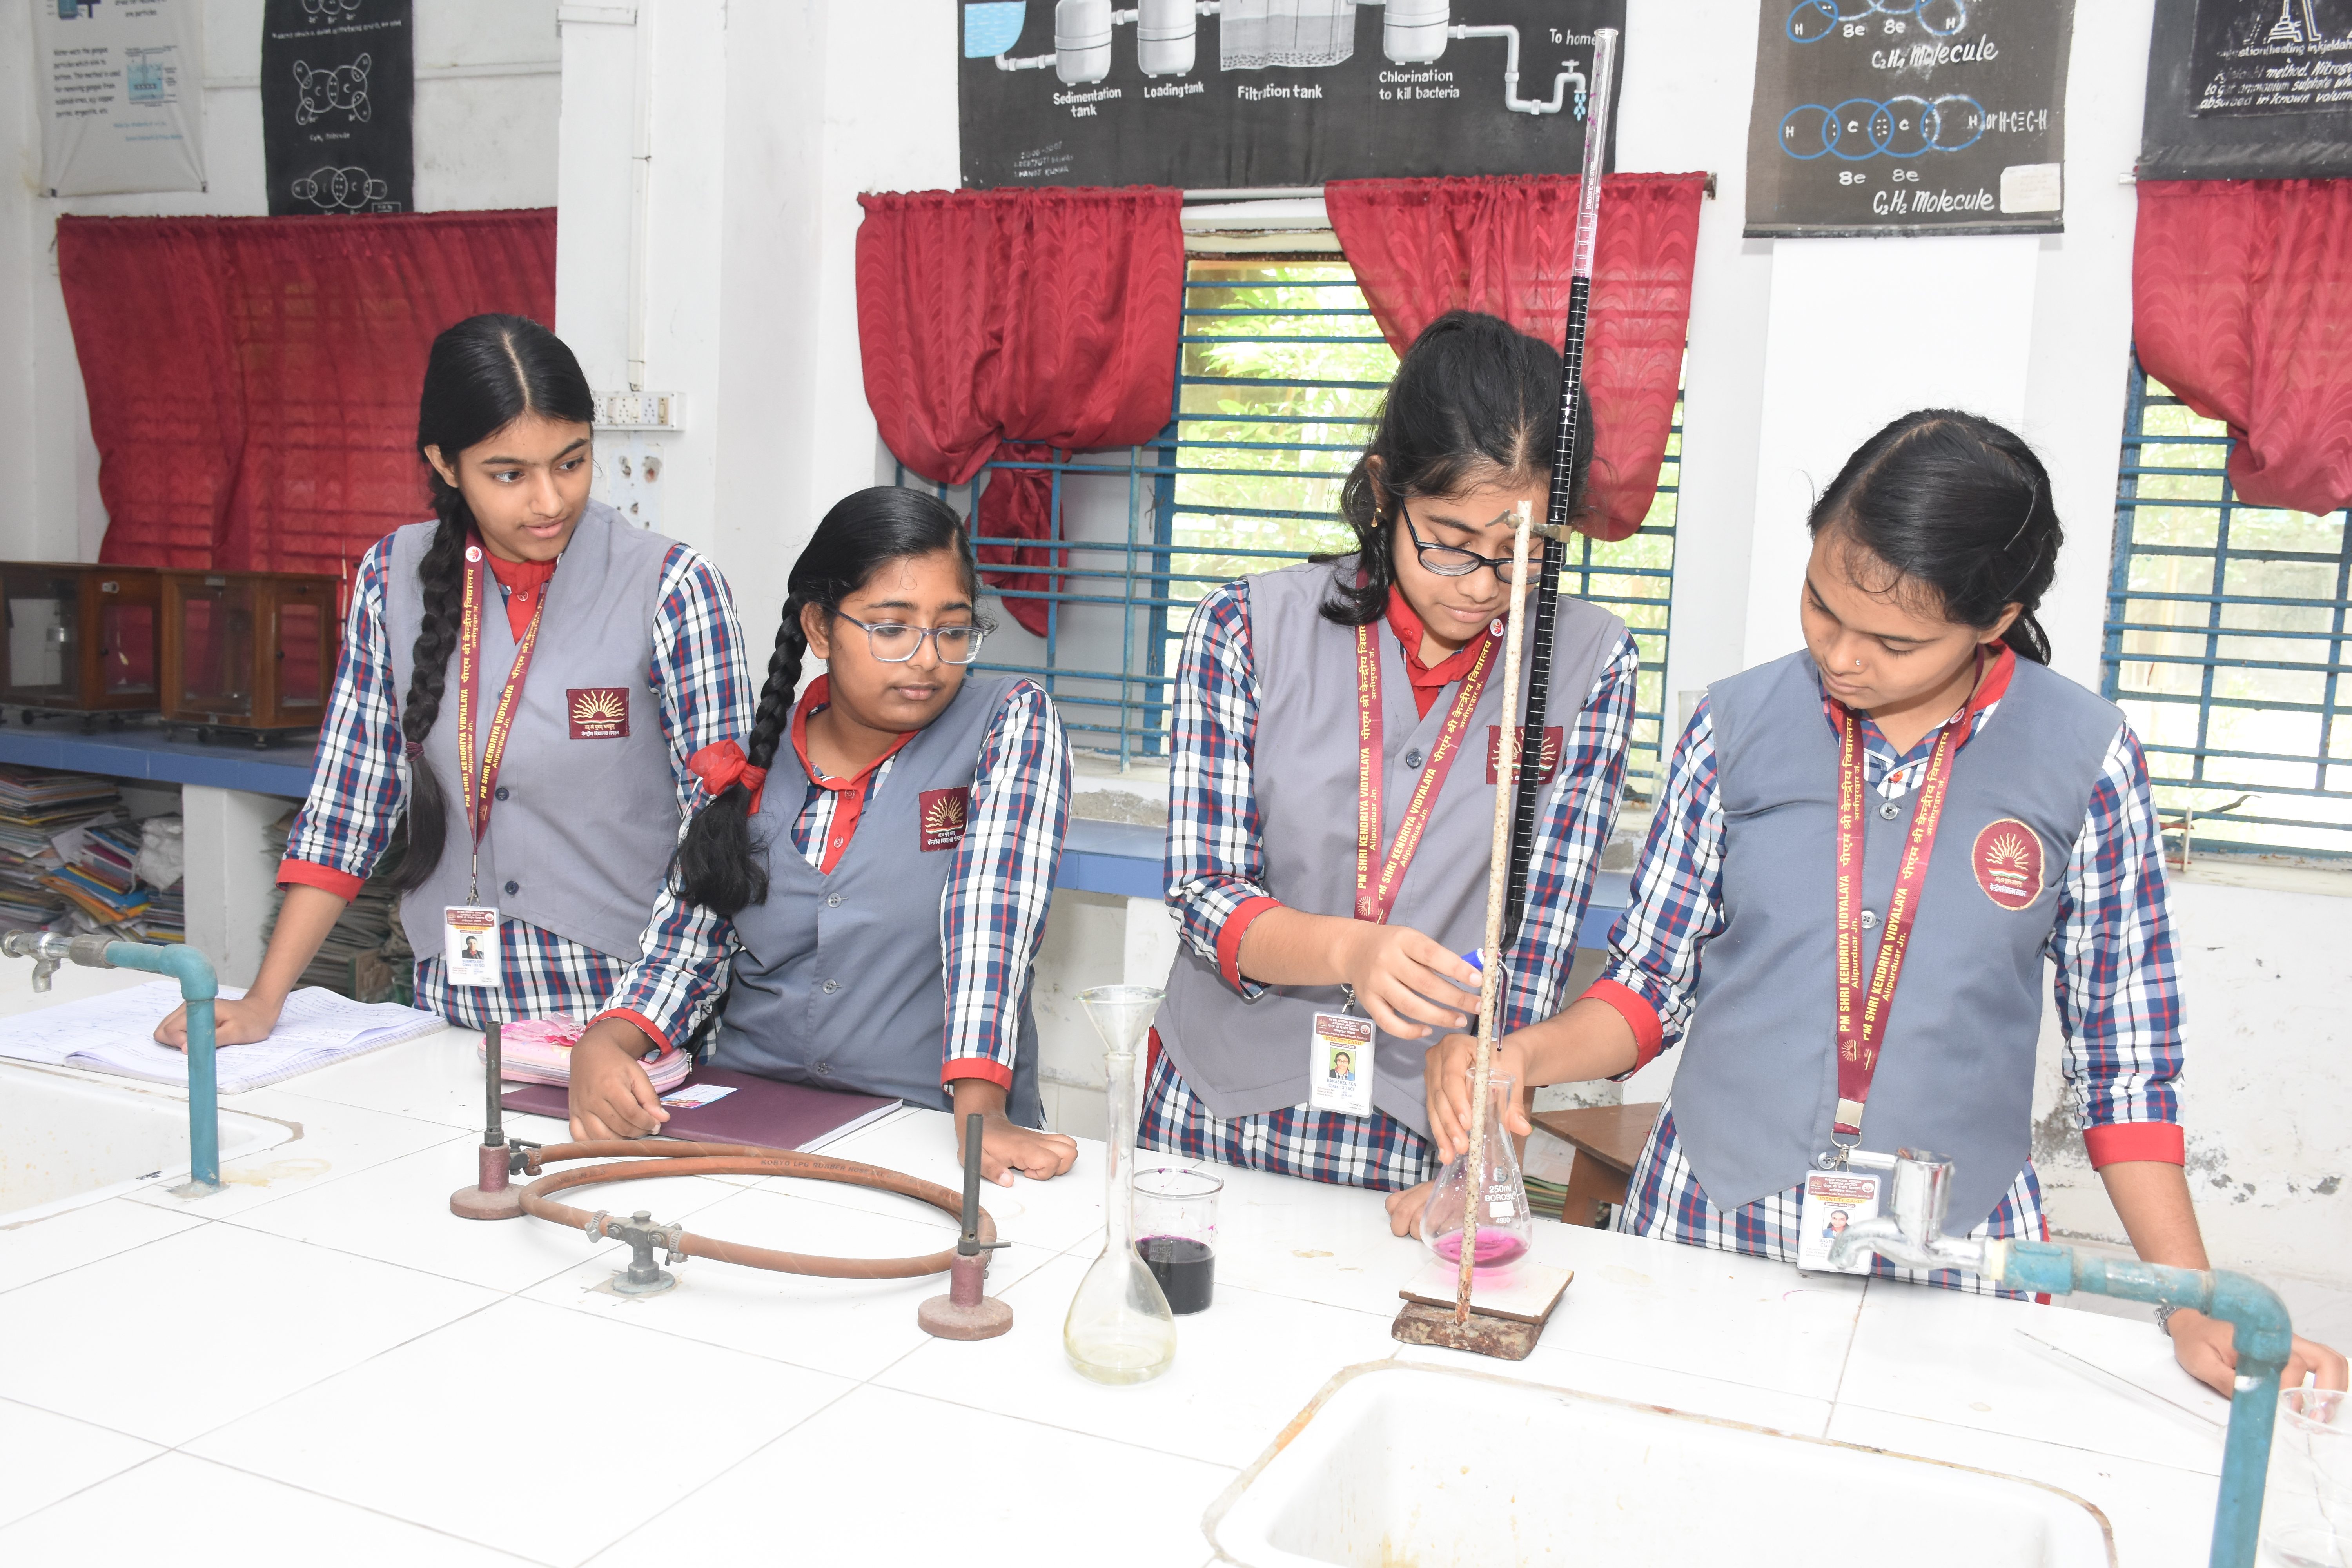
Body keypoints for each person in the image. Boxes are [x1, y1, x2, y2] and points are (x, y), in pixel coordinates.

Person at [1424, 408, 2347, 1396]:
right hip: (1716, 1220)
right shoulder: (1733, 726)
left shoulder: (2086, 758)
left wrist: (2190, 1296)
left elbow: (2126, 1070)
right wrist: (1521, 1055)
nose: (1843, 657)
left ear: (1995, 618)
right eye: (1822, 607)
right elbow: (1652, 985)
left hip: (1957, 1253)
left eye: (1896, 641)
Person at [157, 314, 749, 1108]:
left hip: (629, 1021)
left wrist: (629, 1028)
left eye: (571, 462)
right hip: (451, 1011)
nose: (549, 500)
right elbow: (349, 804)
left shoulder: (674, 588)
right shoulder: (389, 577)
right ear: (443, 461)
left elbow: (717, 844)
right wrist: (265, 1001)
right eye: (509, 474)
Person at [1149, 310, 1638, 1206]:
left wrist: (1478, 1155)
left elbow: (1539, 934)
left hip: (1427, 1132)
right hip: (1220, 1110)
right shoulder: (1247, 629)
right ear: (1386, 490)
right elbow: (1202, 890)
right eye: (1451, 540)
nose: (1483, 584)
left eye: (1523, 552)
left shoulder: (1589, 664)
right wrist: (1349, 948)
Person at [571, 488, 1079, 1185]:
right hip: (747, 1120)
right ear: (819, 628)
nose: (929, 660)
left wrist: (981, 1114)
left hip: (930, 1126)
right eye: (892, 629)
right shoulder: (748, 760)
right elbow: (686, 948)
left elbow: (991, 923)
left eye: (954, 630)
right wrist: (606, 1043)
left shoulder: (1009, 723)